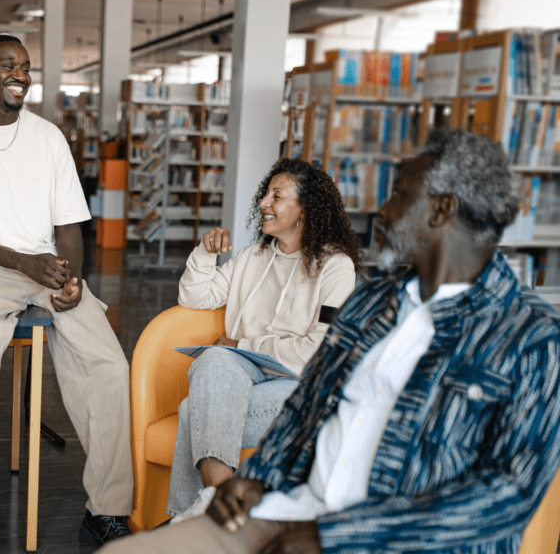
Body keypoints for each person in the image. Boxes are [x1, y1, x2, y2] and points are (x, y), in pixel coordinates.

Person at [104, 129, 560, 554]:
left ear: (442, 209)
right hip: (289, 510)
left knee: (201, 395)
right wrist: (258, 479)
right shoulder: (374, 301)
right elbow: (308, 404)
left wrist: (331, 536)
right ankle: (205, 501)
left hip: (380, 540)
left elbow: (507, 495)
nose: (384, 211)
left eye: (401, 195)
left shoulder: (531, 337)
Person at [0, 34, 133, 546]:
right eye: (7, 66)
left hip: (50, 265)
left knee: (108, 364)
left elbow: (70, 223)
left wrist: (72, 279)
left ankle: (107, 508)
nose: (20, 73)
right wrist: (23, 261)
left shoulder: (48, 138)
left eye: (25, 65)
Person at [168, 159, 359, 523]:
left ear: (306, 207)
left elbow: (319, 350)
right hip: (241, 373)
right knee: (215, 359)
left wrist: (243, 345)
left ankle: (192, 520)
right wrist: (206, 254)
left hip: (300, 384)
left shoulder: (336, 267)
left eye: (277, 195)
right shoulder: (250, 258)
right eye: (265, 194)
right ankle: (218, 504)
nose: (263, 203)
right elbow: (193, 299)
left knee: (192, 410)